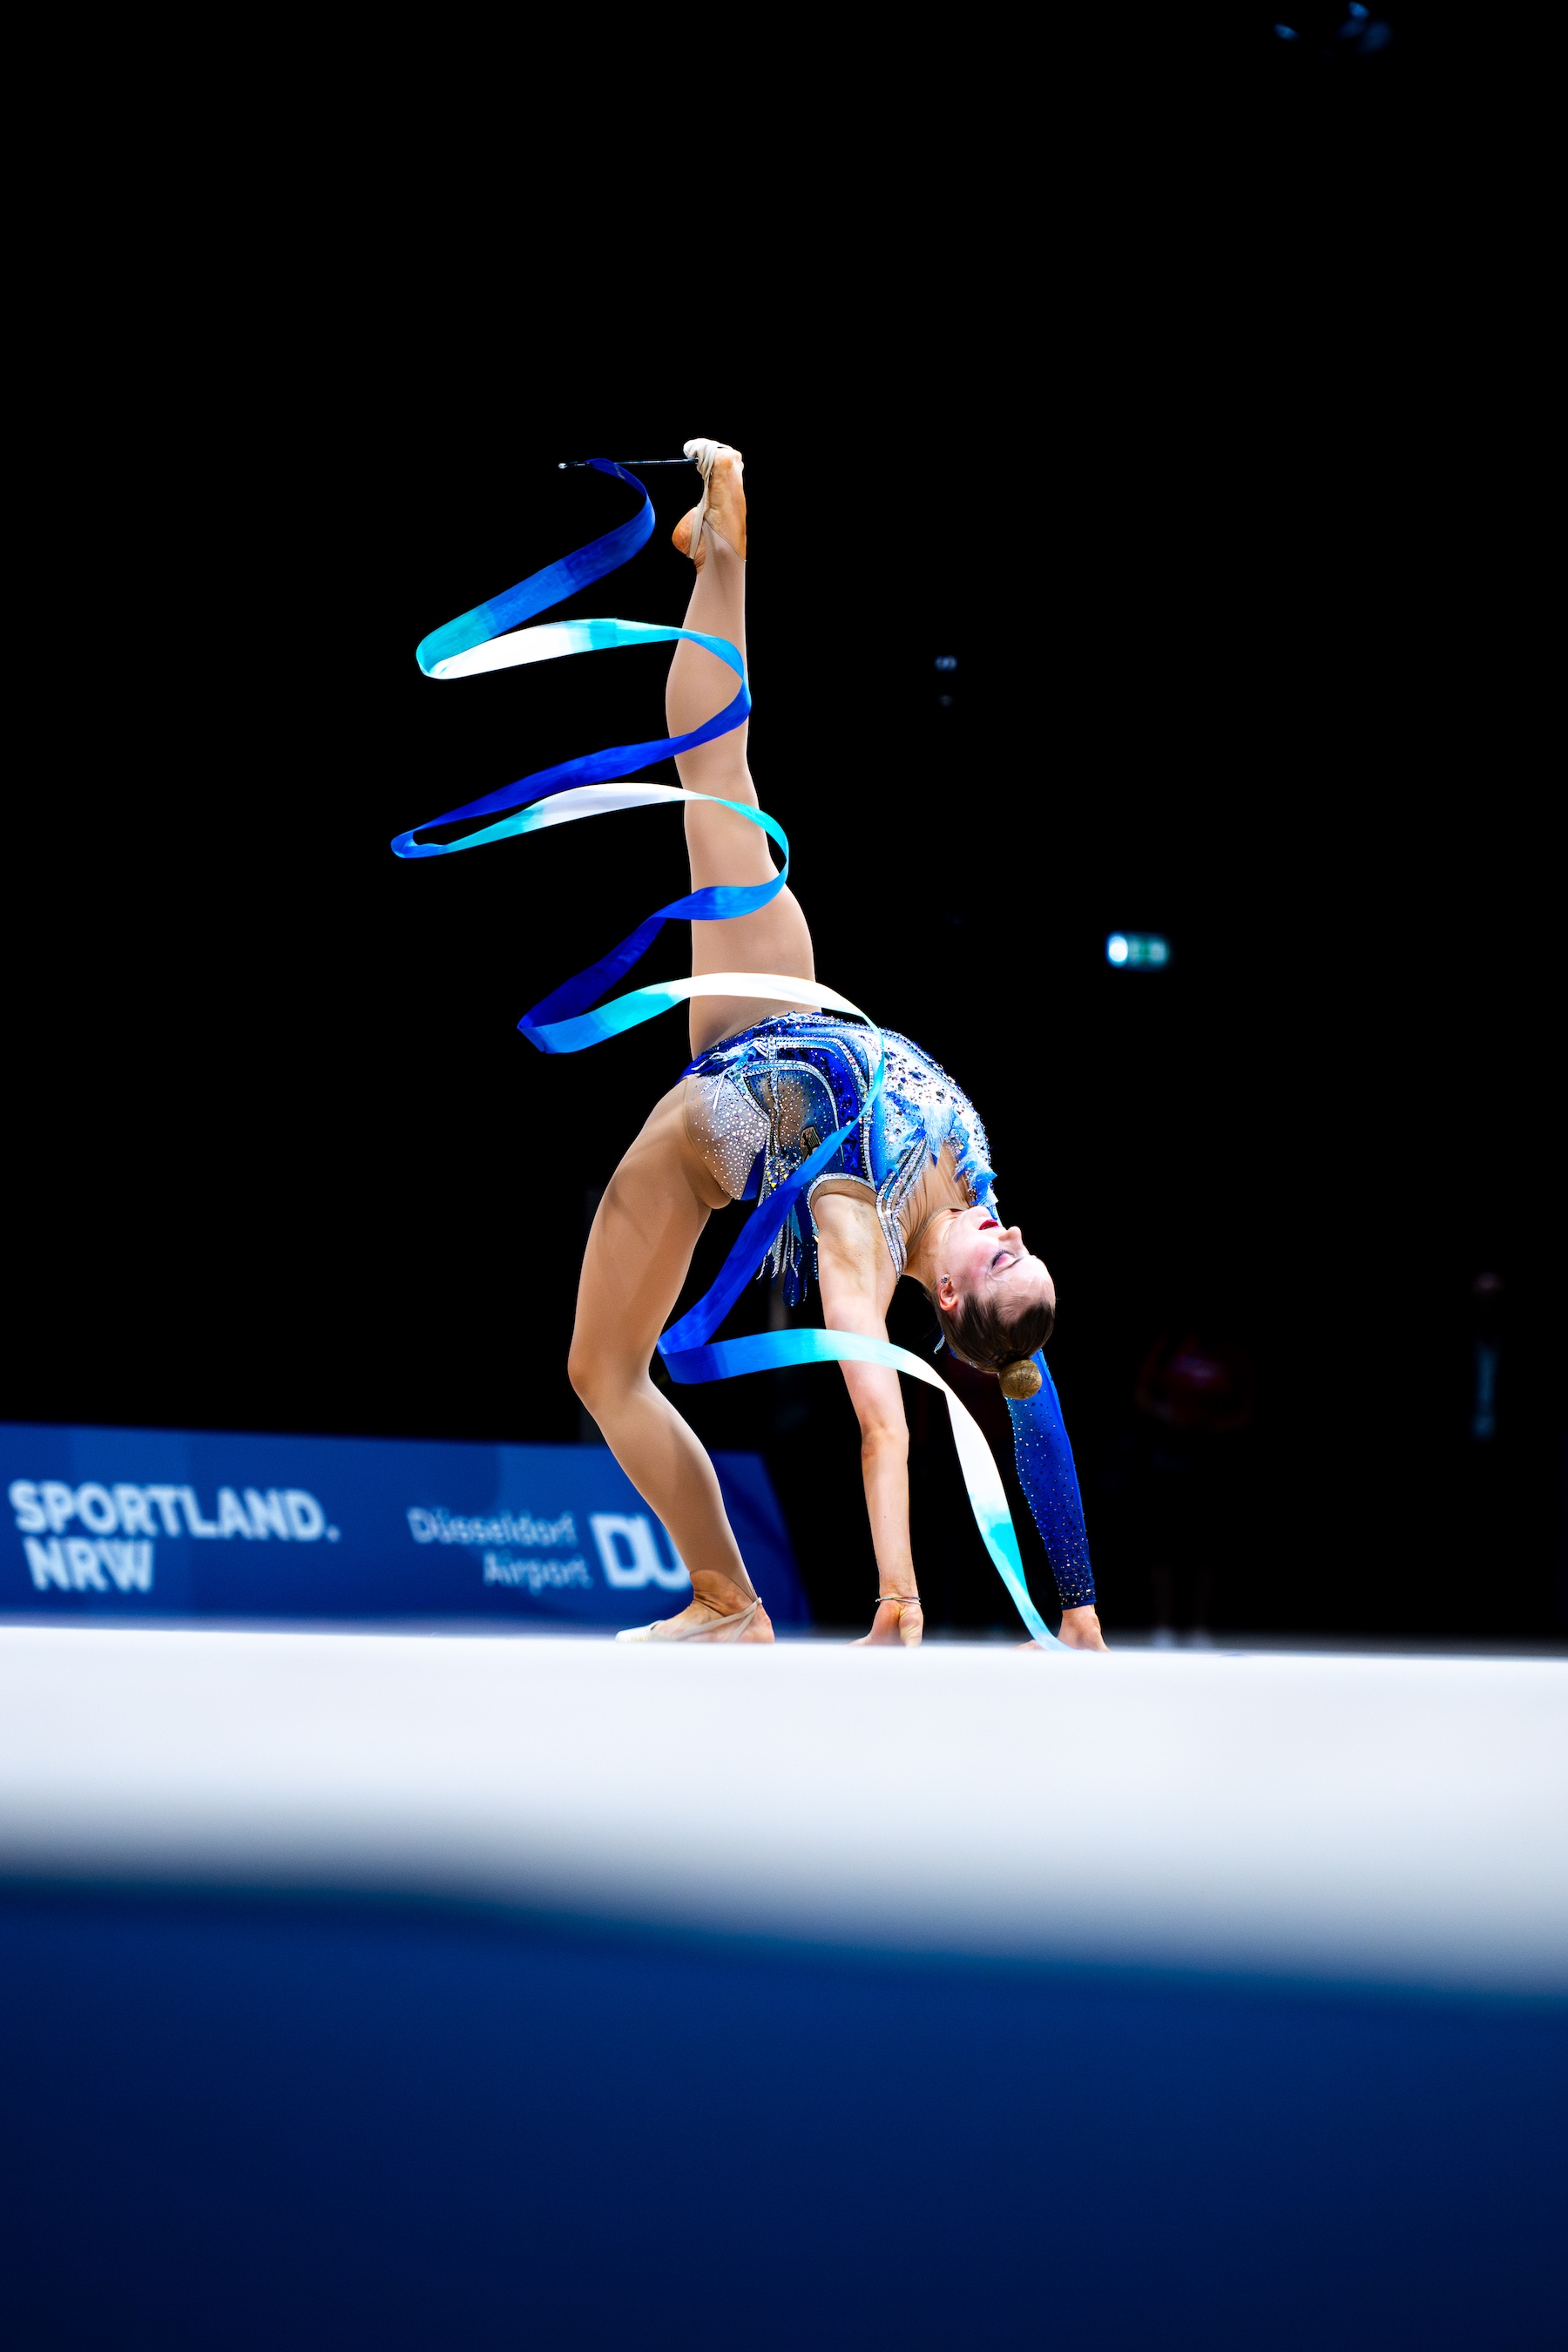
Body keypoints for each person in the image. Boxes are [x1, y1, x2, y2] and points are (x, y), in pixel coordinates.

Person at [567, 443, 1105, 1651]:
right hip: (767, 1029)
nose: (1016, 1234)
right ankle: (729, 1603)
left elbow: (884, 1418)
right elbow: (1028, 1386)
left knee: (603, 1371)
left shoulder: (864, 1226)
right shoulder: (969, 1188)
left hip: (744, 1080)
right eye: (1029, 1249)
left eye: (1004, 1260)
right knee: (715, 766)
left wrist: (899, 1598)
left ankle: (727, 1598)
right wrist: (1075, 1605)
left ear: (950, 1296)